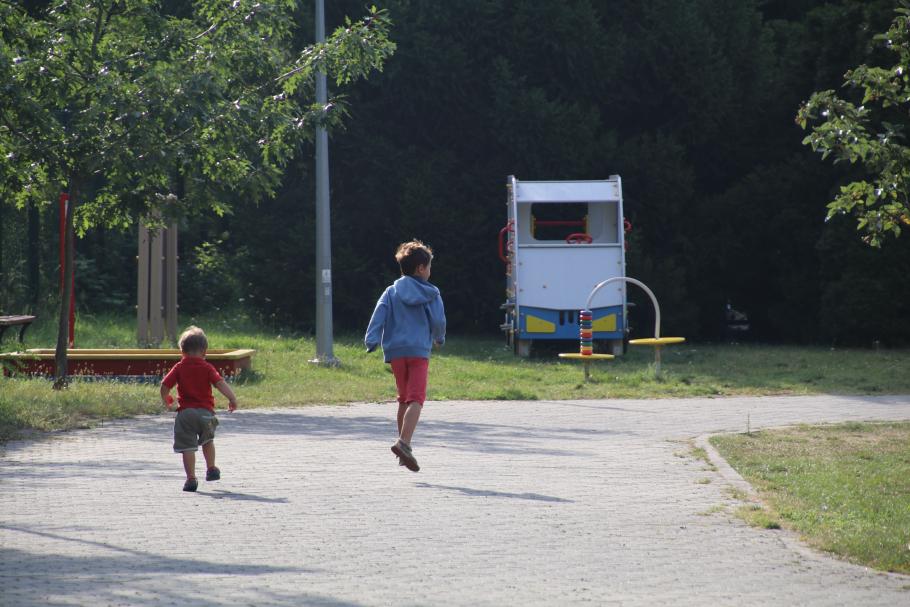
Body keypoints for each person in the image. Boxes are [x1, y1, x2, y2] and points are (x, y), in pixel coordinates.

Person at [365, 239, 446, 472]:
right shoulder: (431, 293)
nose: (430, 271)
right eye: (429, 266)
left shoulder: (391, 291)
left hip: (396, 353)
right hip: (418, 352)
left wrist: (371, 340)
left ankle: (403, 450)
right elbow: (439, 321)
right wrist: (439, 338)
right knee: (416, 400)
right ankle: (404, 443)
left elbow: (378, 315)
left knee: (403, 399)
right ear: (421, 268)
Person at [161, 326, 238, 492]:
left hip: (185, 413)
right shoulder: (207, 367)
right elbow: (220, 384)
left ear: (182, 351)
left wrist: (168, 400)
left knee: (187, 447)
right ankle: (211, 468)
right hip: (206, 413)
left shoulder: (179, 367)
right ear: (204, 351)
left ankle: (191, 479)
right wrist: (232, 398)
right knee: (208, 441)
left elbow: (165, 385)